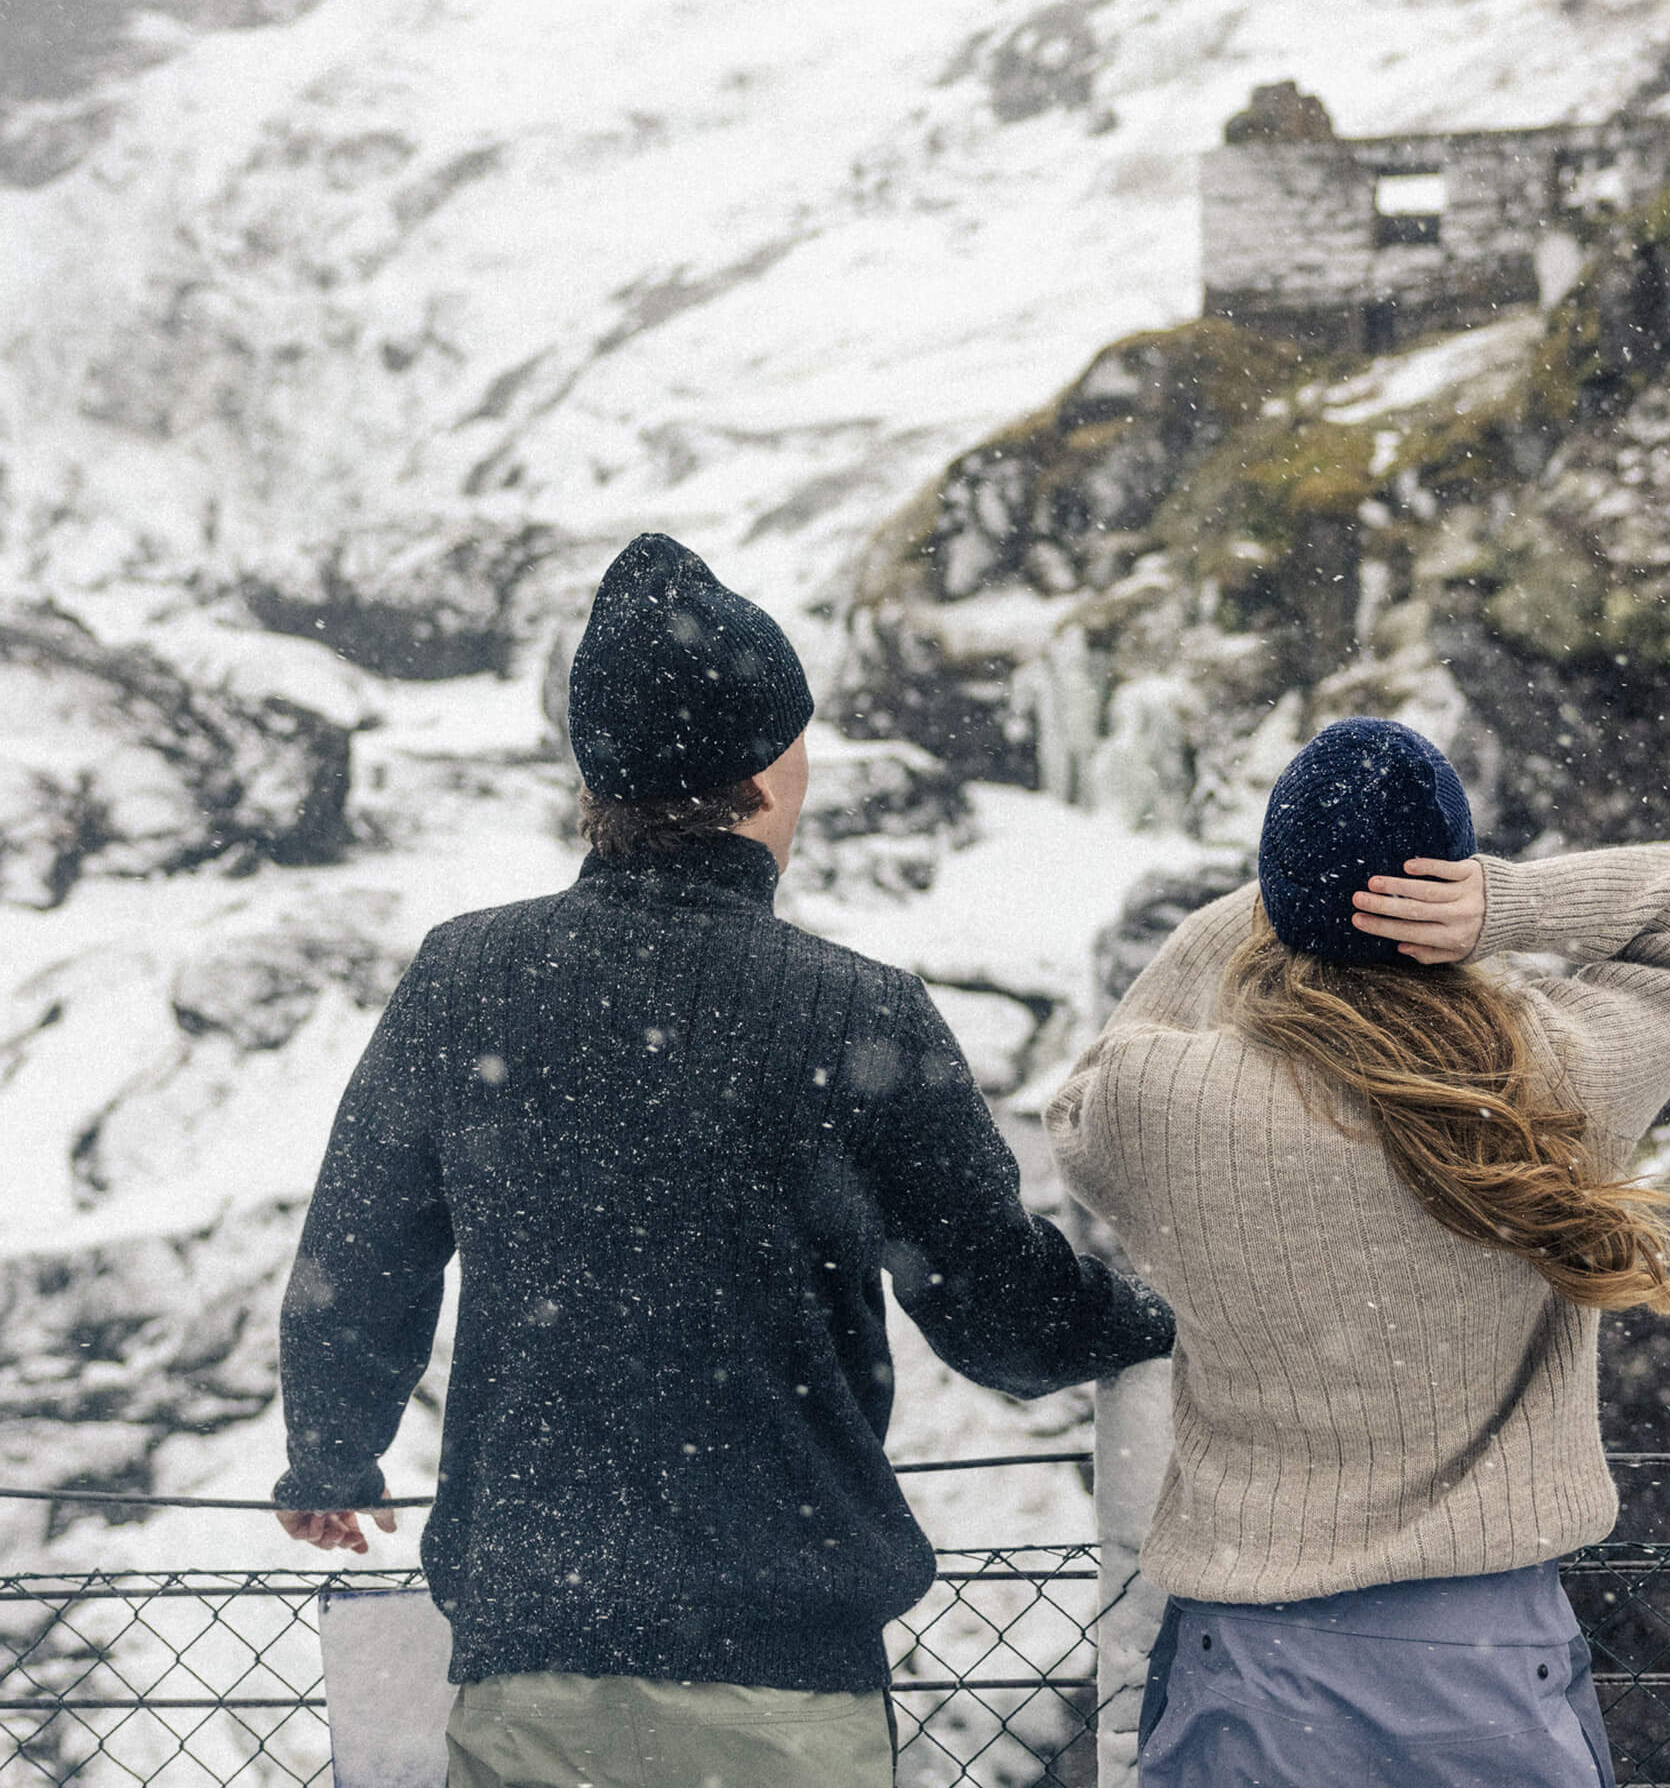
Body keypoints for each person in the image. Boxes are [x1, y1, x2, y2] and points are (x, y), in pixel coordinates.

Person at [273, 532, 1175, 1788]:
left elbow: (360, 1249)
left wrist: (331, 1446)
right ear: (768, 767)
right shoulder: (858, 1012)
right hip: (784, 1673)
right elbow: (998, 1315)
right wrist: (1149, 1323)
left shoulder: (466, 979)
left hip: (534, 1645)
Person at [1046, 717, 1670, 1788]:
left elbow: (1083, 1091)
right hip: (1488, 1659)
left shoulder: (1161, 1101)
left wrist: (1280, 904)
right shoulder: (1555, 1075)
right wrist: (1501, 905)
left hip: (1258, 1659)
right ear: (1441, 886)